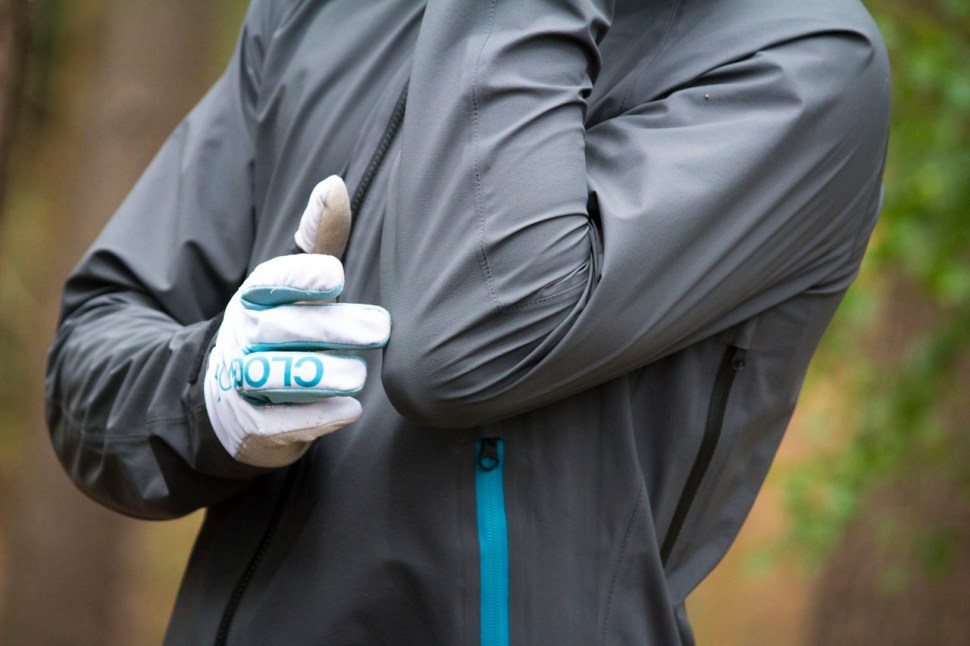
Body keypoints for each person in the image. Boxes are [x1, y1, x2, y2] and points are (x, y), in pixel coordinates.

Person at [45, 0, 891, 643]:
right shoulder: (322, 12)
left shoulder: (801, 57)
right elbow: (91, 354)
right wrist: (209, 394)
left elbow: (466, 349)